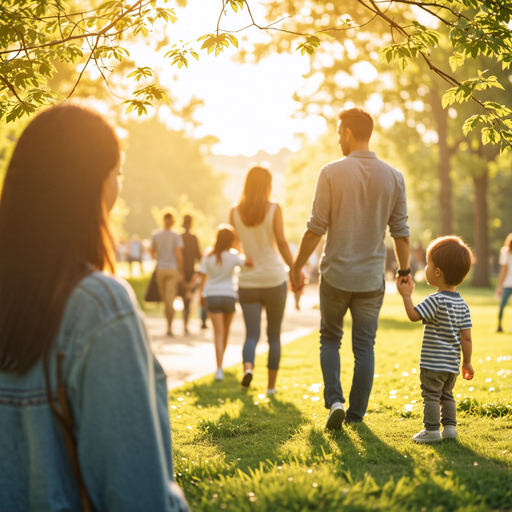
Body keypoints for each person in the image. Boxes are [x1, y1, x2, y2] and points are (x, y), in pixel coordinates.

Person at [0, 104, 188, 511]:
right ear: (94, 183)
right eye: (118, 172)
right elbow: (138, 498)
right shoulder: (99, 307)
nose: (119, 184)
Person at [291, 107, 411, 429]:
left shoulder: (331, 172)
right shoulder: (394, 177)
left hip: (335, 276)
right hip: (371, 279)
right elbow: (401, 233)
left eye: (337, 132)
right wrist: (403, 271)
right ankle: (356, 415)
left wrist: (296, 267)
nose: (337, 139)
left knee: (330, 339)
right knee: (364, 346)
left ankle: (335, 402)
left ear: (346, 132)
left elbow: (315, 228)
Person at [397, 236, 474, 443]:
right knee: (446, 396)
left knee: (431, 395)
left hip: (432, 363)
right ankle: (449, 428)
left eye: (428, 264)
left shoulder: (435, 300)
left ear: (437, 272)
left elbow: (414, 316)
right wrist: (466, 362)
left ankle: (431, 430)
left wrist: (406, 295)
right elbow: (466, 338)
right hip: (452, 364)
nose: (426, 267)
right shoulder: (462, 304)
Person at [230, 166, 296, 394]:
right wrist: (296, 269)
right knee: (274, 336)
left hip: (247, 281)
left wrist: (243, 258)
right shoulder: (274, 208)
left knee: (251, 334)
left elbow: (235, 248)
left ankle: (248, 368)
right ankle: (270, 387)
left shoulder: (235, 211)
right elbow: (283, 243)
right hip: (274, 279)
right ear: (267, 186)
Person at [198, 225, 253, 381]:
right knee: (226, 332)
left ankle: (219, 369)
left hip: (212, 296)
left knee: (218, 333)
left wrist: (201, 295)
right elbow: (248, 263)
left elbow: (203, 277)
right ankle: (222, 362)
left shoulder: (208, 256)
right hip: (229, 296)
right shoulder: (233, 255)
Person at [151, 213, 184, 336]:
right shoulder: (176, 236)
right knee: (170, 299)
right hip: (172, 269)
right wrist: (181, 272)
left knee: (165, 299)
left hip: (160, 269)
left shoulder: (156, 235)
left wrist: (157, 260)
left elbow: (151, 251)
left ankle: (168, 325)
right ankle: (169, 326)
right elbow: (179, 255)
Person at [179, 215, 202, 334]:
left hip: (179, 271)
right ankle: (185, 323)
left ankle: (180, 322)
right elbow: (198, 255)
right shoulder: (193, 238)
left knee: (181, 296)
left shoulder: (179, 236)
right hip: (190, 271)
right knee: (188, 297)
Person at [495, 233, 512, 332]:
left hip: (507, 284)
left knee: (502, 305)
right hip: (507, 284)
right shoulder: (505, 252)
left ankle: (499, 326)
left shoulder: (505, 252)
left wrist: (499, 286)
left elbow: (504, 271)